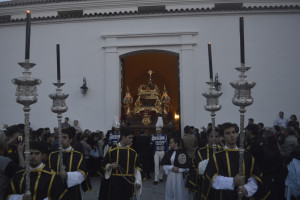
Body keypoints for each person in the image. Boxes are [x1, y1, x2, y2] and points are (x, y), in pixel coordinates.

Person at [201, 122, 268, 200]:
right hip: (223, 196)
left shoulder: (247, 156)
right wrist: (233, 181)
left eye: (234, 132)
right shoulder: (217, 157)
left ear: (237, 134)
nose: (232, 135)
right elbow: (212, 180)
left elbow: (254, 178)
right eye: (228, 133)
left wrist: (246, 189)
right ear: (222, 137)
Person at [98, 127, 142, 200]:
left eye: (132, 138)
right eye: (130, 138)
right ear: (123, 137)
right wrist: (110, 166)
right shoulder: (112, 150)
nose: (132, 140)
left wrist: (138, 181)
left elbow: (137, 169)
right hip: (114, 184)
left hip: (128, 184)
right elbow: (103, 164)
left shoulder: (133, 152)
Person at [48, 128, 87, 200]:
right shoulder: (53, 155)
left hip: (73, 190)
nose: (61, 140)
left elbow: (82, 174)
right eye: (59, 138)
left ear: (70, 140)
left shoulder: (78, 155)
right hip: (56, 190)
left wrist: (67, 175)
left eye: (64, 137)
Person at [185, 128, 223, 199]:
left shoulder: (223, 152)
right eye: (212, 136)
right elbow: (196, 169)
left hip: (220, 187)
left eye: (217, 136)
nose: (214, 139)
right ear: (207, 137)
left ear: (220, 138)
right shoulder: (201, 152)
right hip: (203, 186)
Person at [0, 131, 24, 200]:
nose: (8, 143)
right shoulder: (5, 162)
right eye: (6, 140)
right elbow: (22, 174)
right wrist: (20, 153)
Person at [151, 117, 168, 185]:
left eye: (159, 130)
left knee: (162, 165)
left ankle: (161, 177)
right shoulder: (153, 136)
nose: (158, 131)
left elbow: (166, 145)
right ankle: (156, 179)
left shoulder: (164, 136)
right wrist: (151, 141)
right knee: (156, 165)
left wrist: (166, 152)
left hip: (162, 151)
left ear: (161, 130)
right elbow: (151, 144)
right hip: (156, 152)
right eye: (157, 130)